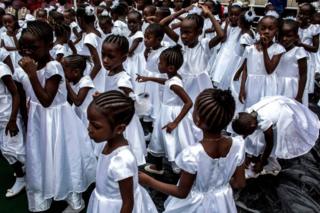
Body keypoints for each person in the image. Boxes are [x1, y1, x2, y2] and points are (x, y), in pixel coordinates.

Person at [15, 20, 96, 212]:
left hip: (57, 121)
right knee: (41, 156)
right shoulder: (24, 68)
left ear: (49, 46)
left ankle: (73, 197)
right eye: (23, 47)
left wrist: (33, 75)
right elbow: (26, 97)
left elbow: (46, 100)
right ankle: (43, 193)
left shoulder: (54, 67)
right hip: (38, 122)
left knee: (62, 156)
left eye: (33, 47)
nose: (27, 52)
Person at [139, 88, 246, 213]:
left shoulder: (192, 154)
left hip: (195, 206)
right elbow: (240, 183)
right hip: (223, 202)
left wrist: (149, 181)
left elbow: (182, 192)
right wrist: (218, 187)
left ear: (198, 120)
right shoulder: (238, 144)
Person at [86, 91, 157, 213]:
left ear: (119, 129)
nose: (89, 128)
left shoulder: (122, 160)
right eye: (89, 122)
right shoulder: (108, 141)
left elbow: (128, 203)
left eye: (96, 126)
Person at [137, 45, 200, 174]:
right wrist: (148, 78)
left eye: (160, 62)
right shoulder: (173, 78)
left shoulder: (174, 84)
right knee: (159, 138)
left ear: (170, 67)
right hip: (166, 113)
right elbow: (164, 81)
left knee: (173, 141)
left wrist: (175, 122)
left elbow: (188, 103)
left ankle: (179, 169)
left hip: (172, 115)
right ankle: (159, 167)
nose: (158, 64)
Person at [232, 96, 320, 176]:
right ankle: (255, 155)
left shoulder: (264, 121)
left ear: (252, 126)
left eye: (247, 132)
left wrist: (262, 163)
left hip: (285, 114)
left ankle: (269, 162)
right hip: (274, 105)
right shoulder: (249, 114)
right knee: (255, 139)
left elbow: (269, 144)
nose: (246, 135)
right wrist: (246, 155)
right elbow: (243, 137)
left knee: (287, 136)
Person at [160, 4, 223, 101]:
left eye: (188, 32)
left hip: (199, 86)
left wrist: (209, 14)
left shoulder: (204, 45)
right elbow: (162, 24)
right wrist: (183, 10)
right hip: (182, 83)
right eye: (182, 32)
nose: (183, 36)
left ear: (199, 32)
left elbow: (221, 35)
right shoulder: (180, 42)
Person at [101, 34, 147, 166]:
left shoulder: (122, 80)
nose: (105, 60)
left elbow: (131, 97)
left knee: (125, 146)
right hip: (111, 115)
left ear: (123, 58)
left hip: (121, 118)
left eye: (110, 57)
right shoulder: (110, 72)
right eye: (103, 55)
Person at [239, 15, 285, 108]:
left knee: (264, 110)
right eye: (263, 28)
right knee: (250, 108)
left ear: (276, 31)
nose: (266, 31)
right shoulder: (250, 49)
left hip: (267, 85)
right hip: (251, 85)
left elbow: (269, 70)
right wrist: (242, 88)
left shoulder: (278, 49)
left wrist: (265, 48)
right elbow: (245, 70)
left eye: (270, 29)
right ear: (258, 30)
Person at [0, 62, 25, 198]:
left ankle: (25, 178)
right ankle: (22, 176)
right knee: (5, 150)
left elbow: (16, 94)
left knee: (16, 150)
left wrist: (13, 120)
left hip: (8, 116)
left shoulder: (1, 69)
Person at [209, 3, 242, 89]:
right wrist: (226, 25)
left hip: (233, 53)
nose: (233, 17)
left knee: (229, 70)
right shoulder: (225, 25)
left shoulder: (241, 28)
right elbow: (223, 39)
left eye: (236, 15)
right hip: (224, 51)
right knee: (220, 69)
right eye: (231, 14)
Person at [276, 18, 308, 104]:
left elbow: (303, 74)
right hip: (277, 85)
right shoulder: (276, 50)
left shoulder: (299, 51)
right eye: (281, 35)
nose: (284, 38)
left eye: (289, 36)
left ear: (296, 37)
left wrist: (299, 96)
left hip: (292, 88)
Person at [76, 5, 104, 92]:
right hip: (101, 71)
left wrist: (87, 83)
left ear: (80, 20)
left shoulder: (89, 38)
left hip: (94, 73)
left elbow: (97, 65)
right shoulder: (98, 32)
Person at [297, 3, 320, 96]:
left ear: (310, 16)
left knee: (303, 85)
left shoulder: (314, 29)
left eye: (304, 14)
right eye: (300, 13)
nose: (301, 16)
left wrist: (301, 44)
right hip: (295, 57)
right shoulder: (296, 26)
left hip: (307, 59)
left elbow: (315, 48)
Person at [124, 10, 146, 92]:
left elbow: (130, 51)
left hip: (136, 61)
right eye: (129, 22)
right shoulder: (131, 34)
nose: (131, 24)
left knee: (134, 76)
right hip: (130, 59)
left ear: (140, 23)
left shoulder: (139, 35)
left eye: (134, 22)